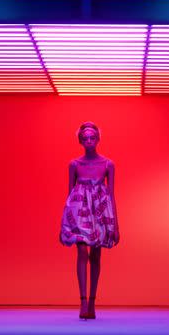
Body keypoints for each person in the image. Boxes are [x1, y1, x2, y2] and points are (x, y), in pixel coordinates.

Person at [59, 122, 120, 320]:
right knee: (81, 252)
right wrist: (65, 224)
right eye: (85, 138)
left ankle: (92, 302)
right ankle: (83, 301)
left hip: (100, 212)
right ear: (80, 140)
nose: (89, 141)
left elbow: (111, 195)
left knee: (96, 255)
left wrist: (115, 225)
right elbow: (69, 195)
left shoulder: (108, 164)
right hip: (78, 210)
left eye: (92, 137)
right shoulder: (74, 164)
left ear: (98, 139)